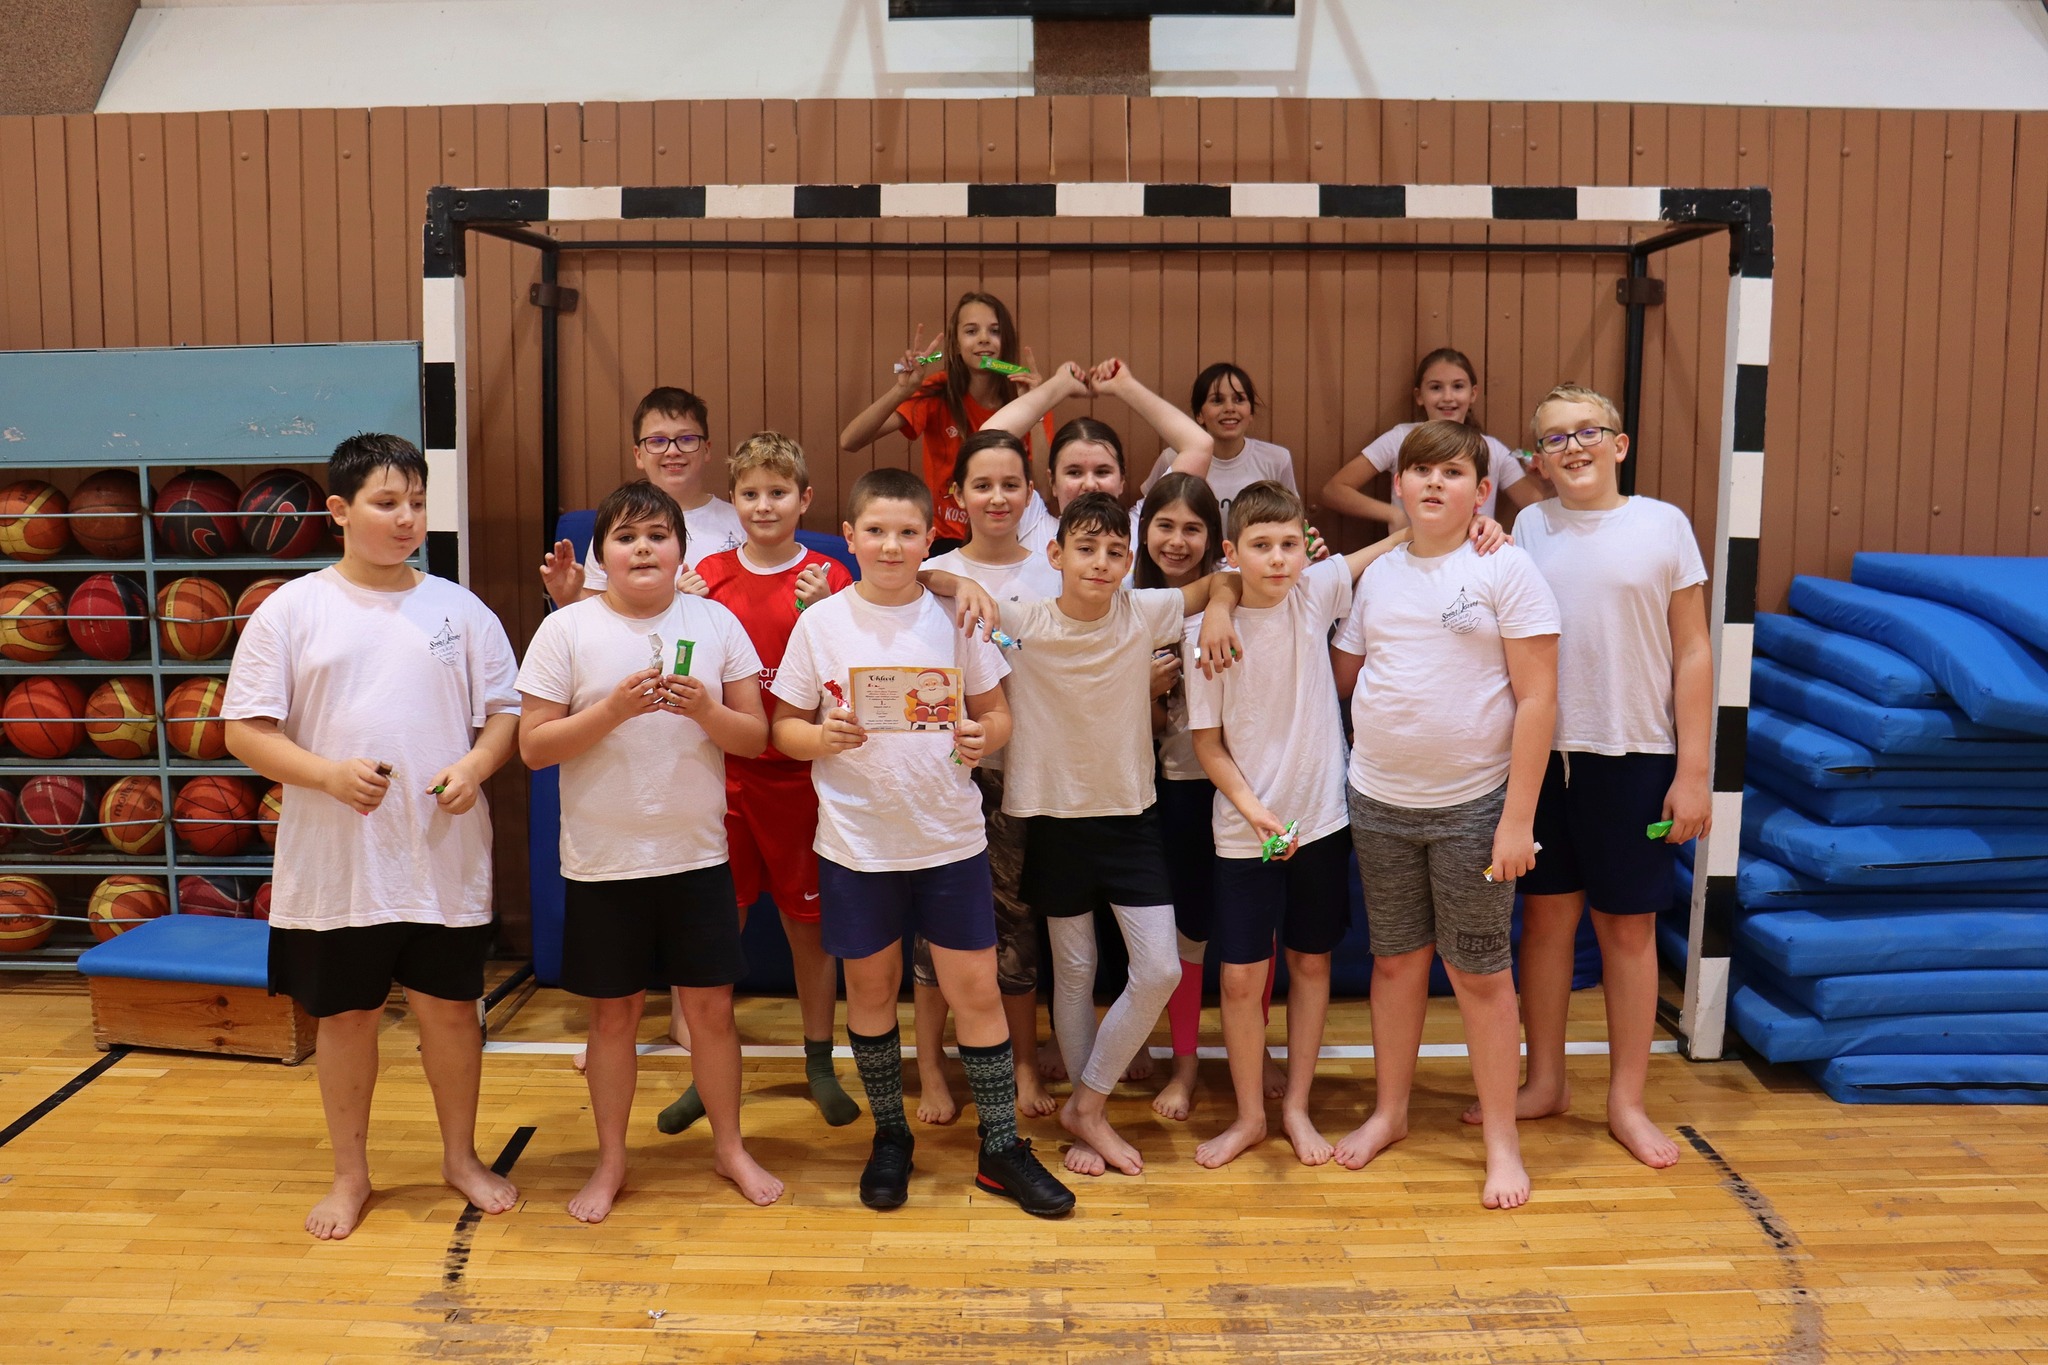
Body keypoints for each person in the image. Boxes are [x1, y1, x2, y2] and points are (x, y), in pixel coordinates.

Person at [223, 433, 523, 1242]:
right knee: (348, 1018)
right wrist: (325, 775)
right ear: (339, 510)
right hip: (338, 865)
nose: (406, 518)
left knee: (451, 1014)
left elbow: (506, 712)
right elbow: (244, 731)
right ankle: (350, 1173)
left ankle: (459, 1156)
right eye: (387, 502)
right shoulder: (292, 610)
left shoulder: (461, 609)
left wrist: (476, 766)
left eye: (417, 502)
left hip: (440, 857)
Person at [769, 466, 1074, 1218]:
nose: (891, 545)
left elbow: (998, 713)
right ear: (849, 537)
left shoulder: (955, 618)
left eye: (907, 532)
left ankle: (1000, 1148)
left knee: (977, 991)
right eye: (876, 530)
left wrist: (981, 735)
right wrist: (821, 737)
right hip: (857, 845)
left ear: (929, 538)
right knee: (873, 991)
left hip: (949, 840)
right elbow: (783, 728)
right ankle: (891, 1136)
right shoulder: (821, 623)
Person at [517, 479, 781, 1221]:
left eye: (657, 535)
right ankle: (611, 1161)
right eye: (626, 537)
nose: (642, 548)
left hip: (697, 856)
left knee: (713, 1014)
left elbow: (754, 737)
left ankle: (730, 1148)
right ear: (602, 554)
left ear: (680, 551)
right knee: (613, 1020)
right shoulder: (566, 629)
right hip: (604, 862)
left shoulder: (716, 620)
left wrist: (706, 711)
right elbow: (534, 748)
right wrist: (611, 710)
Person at [1472, 383, 1711, 1171]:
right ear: (1537, 460)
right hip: (1543, 760)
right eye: (1554, 438)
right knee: (1544, 923)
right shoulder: (1528, 528)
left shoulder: (1664, 525)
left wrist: (1694, 769)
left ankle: (1627, 1101)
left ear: (1619, 443)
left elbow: (1693, 650)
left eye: (1586, 431)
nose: (1572, 446)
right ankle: (1545, 1080)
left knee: (1628, 930)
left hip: (1635, 754)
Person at [1329, 420, 1560, 1211]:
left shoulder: (1507, 567)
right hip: (1379, 801)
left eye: (1452, 472)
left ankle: (1502, 1140)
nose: (1433, 482)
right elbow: (1344, 674)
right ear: (1397, 485)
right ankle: (1390, 1111)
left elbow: (1538, 699)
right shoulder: (1377, 575)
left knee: (1480, 973)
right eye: (1419, 470)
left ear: (1482, 491)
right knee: (1395, 963)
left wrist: (1517, 818)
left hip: (1475, 807)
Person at [994, 489, 1242, 1179]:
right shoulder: (1023, 617)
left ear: (1128, 561)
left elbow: (1221, 579)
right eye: (1085, 549)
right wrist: (961, 586)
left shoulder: (1144, 610)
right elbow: (934, 579)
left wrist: (1222, 606)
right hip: (1052, 818)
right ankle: (1088, 1111)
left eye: (1113, 551)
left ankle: (1087, 1104)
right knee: (1074, 972)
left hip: (1131, 818)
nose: (1100, 562)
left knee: (1160, 967)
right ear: (1056, 554)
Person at [1181, 480, 1420, 1169]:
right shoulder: (1206, 634)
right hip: (1245, 830)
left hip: (1320, 821)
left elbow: (1395, 543)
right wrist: (1254, 811)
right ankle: (1250, 1115)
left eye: (1290, 544)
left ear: (1305, 549)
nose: (1278, 558)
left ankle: (1295, 1105)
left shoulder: (1315, 593)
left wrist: (1471, 527)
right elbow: (1208, 744)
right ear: (1233, 553)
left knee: (1311, 962)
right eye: (1261, 546)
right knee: (1239, 978)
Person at [653, 433, 860, 1137]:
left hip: (805, 780)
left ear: (805, 499)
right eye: (750, 493)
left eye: (778, 492)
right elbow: (678, 667)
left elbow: (854, 670)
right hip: (726, 778)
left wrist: (828, 608)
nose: (764, 505)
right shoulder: (705, 575)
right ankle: (704, 1074)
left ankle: (819, 1063)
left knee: (810, 930)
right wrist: (681, 610)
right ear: (733, 501)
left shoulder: (832, 575)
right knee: (717, 929)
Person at [908, 428, 1064, 1126]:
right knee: (934, 933)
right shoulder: (931, 568)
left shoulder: (1054, 568)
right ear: (957, 495)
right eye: (982, 485)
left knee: (1018, 927)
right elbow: (907, 578)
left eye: (1010, 485)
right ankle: (931, 1067)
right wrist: (953, 578)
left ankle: (1024, 1060)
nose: (997, 497)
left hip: (1031, 773)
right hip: (949, 776)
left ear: (1031, 493)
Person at [1134, 473, 1287, 1122]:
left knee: (1255, 930)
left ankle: (1259, 1046)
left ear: (1215, 539)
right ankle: (1186, 1063)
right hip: (1175, 787)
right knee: (1187, 931)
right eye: (1164, 526)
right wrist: (1144, 690)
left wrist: (1221, 602)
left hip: (1251, 784)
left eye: (1192, 528)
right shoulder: (1131, 602)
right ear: (1144, 531)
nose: (1177, 540)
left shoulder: (1238, 588)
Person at [838, 291, 1053, 552]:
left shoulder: (1028, 394)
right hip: (945, 540)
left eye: (995, 331)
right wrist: (902, 390)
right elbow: (850, 440)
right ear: (956, 343)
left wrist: (1036, 407)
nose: (984, 338)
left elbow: (1044, 490)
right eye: (971, 331)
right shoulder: (938, 391)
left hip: (1010, 536)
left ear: (1006, 340)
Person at [982, 359, 1214, 565]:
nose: (1090, 485)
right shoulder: (1033, 522)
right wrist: (1059, 385)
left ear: (1122, 480)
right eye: (1074, 473)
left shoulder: (1142, 528)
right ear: (1052, 482)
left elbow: (1199, 446)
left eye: (1102, 472)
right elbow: (985, 442)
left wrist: (1126, 387)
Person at [540, 386, 747, 608]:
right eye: (657, 441)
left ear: (706, 449)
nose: (672, 451)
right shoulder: (617, 524)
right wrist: (567, 599)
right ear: (638, 455)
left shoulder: (742, 521)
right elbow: (592, 613)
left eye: (686, 438)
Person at [1319, 348, 1548, 530]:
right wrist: (1394, 514)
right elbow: (1335, 490)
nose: (1447, 397)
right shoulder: (1400, 439)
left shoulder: (1493, 450)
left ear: (1473, 394)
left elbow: (1538, 507)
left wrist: (1549, 476)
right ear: (1419, 396)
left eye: (1458, 386)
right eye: (1436, 387)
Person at [1140, 362, 1298, 531]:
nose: (1229, 408)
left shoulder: (1277, 460)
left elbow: (1293, 520)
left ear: (1251, 412)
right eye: (1217, 400)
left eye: (1239, 399)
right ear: (1199, 415)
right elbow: (1147, 513)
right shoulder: (1174, 458)